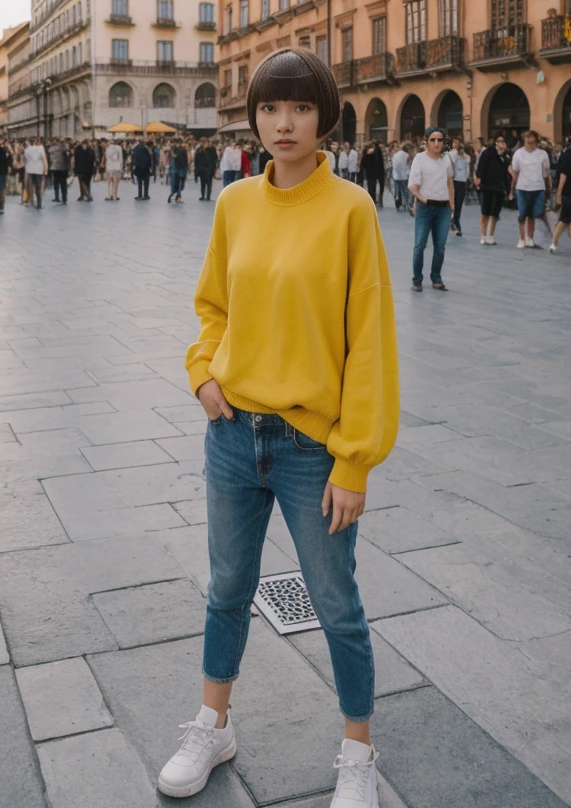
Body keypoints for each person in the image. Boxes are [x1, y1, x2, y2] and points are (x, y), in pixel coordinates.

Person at [158, 48, 398, 808]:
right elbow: (212, 305)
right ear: (253, 117)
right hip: (233, 434)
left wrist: (355, 461)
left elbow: (371, 344)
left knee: (336, 603)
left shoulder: (352, 208)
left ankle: (357, 752)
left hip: (311, 450)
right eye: (268, 108)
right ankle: (212, 722)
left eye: (297, 108)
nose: (282, 123)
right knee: (227, 587)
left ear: (322, 116)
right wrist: (202, 372)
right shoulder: (233, 203)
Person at [408, 126, 455, 292]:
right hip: (426, 207)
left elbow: (449, 181)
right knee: (420, 244)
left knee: (440, 246)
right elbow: (412, 186)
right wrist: (423, 199)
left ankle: (436, 278)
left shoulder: (446, 160)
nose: (437, 143)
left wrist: (452, 205)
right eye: (433, 140)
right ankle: (417, 280)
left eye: (440, 140)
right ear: (426, 142)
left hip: (443, 208)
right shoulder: (420, 159)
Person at [508, 130, 550, 249]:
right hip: (522, 186)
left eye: (530, 137)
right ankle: (521, 238)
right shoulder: (518, 154)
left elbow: (546, 173)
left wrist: (548, 188)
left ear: (535, 139)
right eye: (526, 137)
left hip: (538, 186)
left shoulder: (543, 154)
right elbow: (515, 172)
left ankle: (530, 238)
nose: (528, 139)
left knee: (533, 214)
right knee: (522, 214)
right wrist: (512, 189)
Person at [474, 136, 510, 245]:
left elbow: (506, 175)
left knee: (495, 214)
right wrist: (479, 179)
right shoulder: (488, 153)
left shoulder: (506, 157)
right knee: (485, 212)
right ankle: (483, 235)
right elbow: (481, 167)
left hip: (499, 188)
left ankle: (491, 236)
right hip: (486, 186)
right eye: (498, 141)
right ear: (494, 142)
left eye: (503, 141)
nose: (500, 144)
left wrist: (507, 190)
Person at [448, 136, 470, 237]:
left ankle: (456, 221)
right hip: (452, 181)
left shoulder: (466, 156)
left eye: (457, 142)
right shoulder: (451, 154)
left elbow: (467, 167)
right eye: (454, 142)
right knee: (450, 202)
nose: (455, 144)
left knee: (459, 203)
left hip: (461, 182)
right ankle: (451, 220)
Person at [48, 138, 69, 204]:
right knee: (63, 184)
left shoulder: (51, 149)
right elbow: (66, 159)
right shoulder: (63, 149)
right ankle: (64, 198)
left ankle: (56, 197)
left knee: (55, 183)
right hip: (62, 168)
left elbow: (49, 159)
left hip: (54, 168)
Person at [391, 144, 411, 211]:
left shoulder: (395, 155)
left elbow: (394, 166)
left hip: (396, 176)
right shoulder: (407, 155)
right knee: (405, 190)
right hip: (405, 175)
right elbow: (408, 165)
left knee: (397, 190)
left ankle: (397, 202)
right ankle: (406, 203)